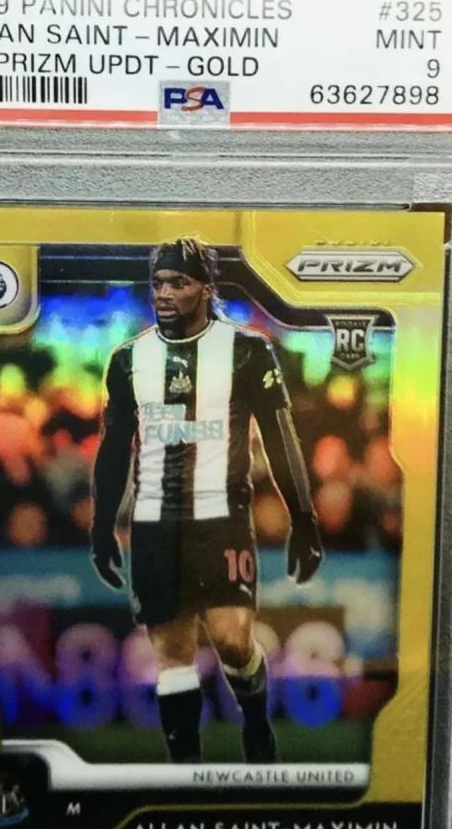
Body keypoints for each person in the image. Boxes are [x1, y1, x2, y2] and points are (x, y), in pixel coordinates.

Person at [91, 236, 322, 764]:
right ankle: (186, 777)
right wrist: (102, 526)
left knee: (232, 639)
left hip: (223, 518)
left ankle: (256, 722)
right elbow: (112, 447)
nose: (164, 293)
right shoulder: (128, 359)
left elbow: (280, 436)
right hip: (155, 521)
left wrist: (303, 519)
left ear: (205, 288)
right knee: (171, 654)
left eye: (178, 282)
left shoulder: (247, 351)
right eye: (158, 283)